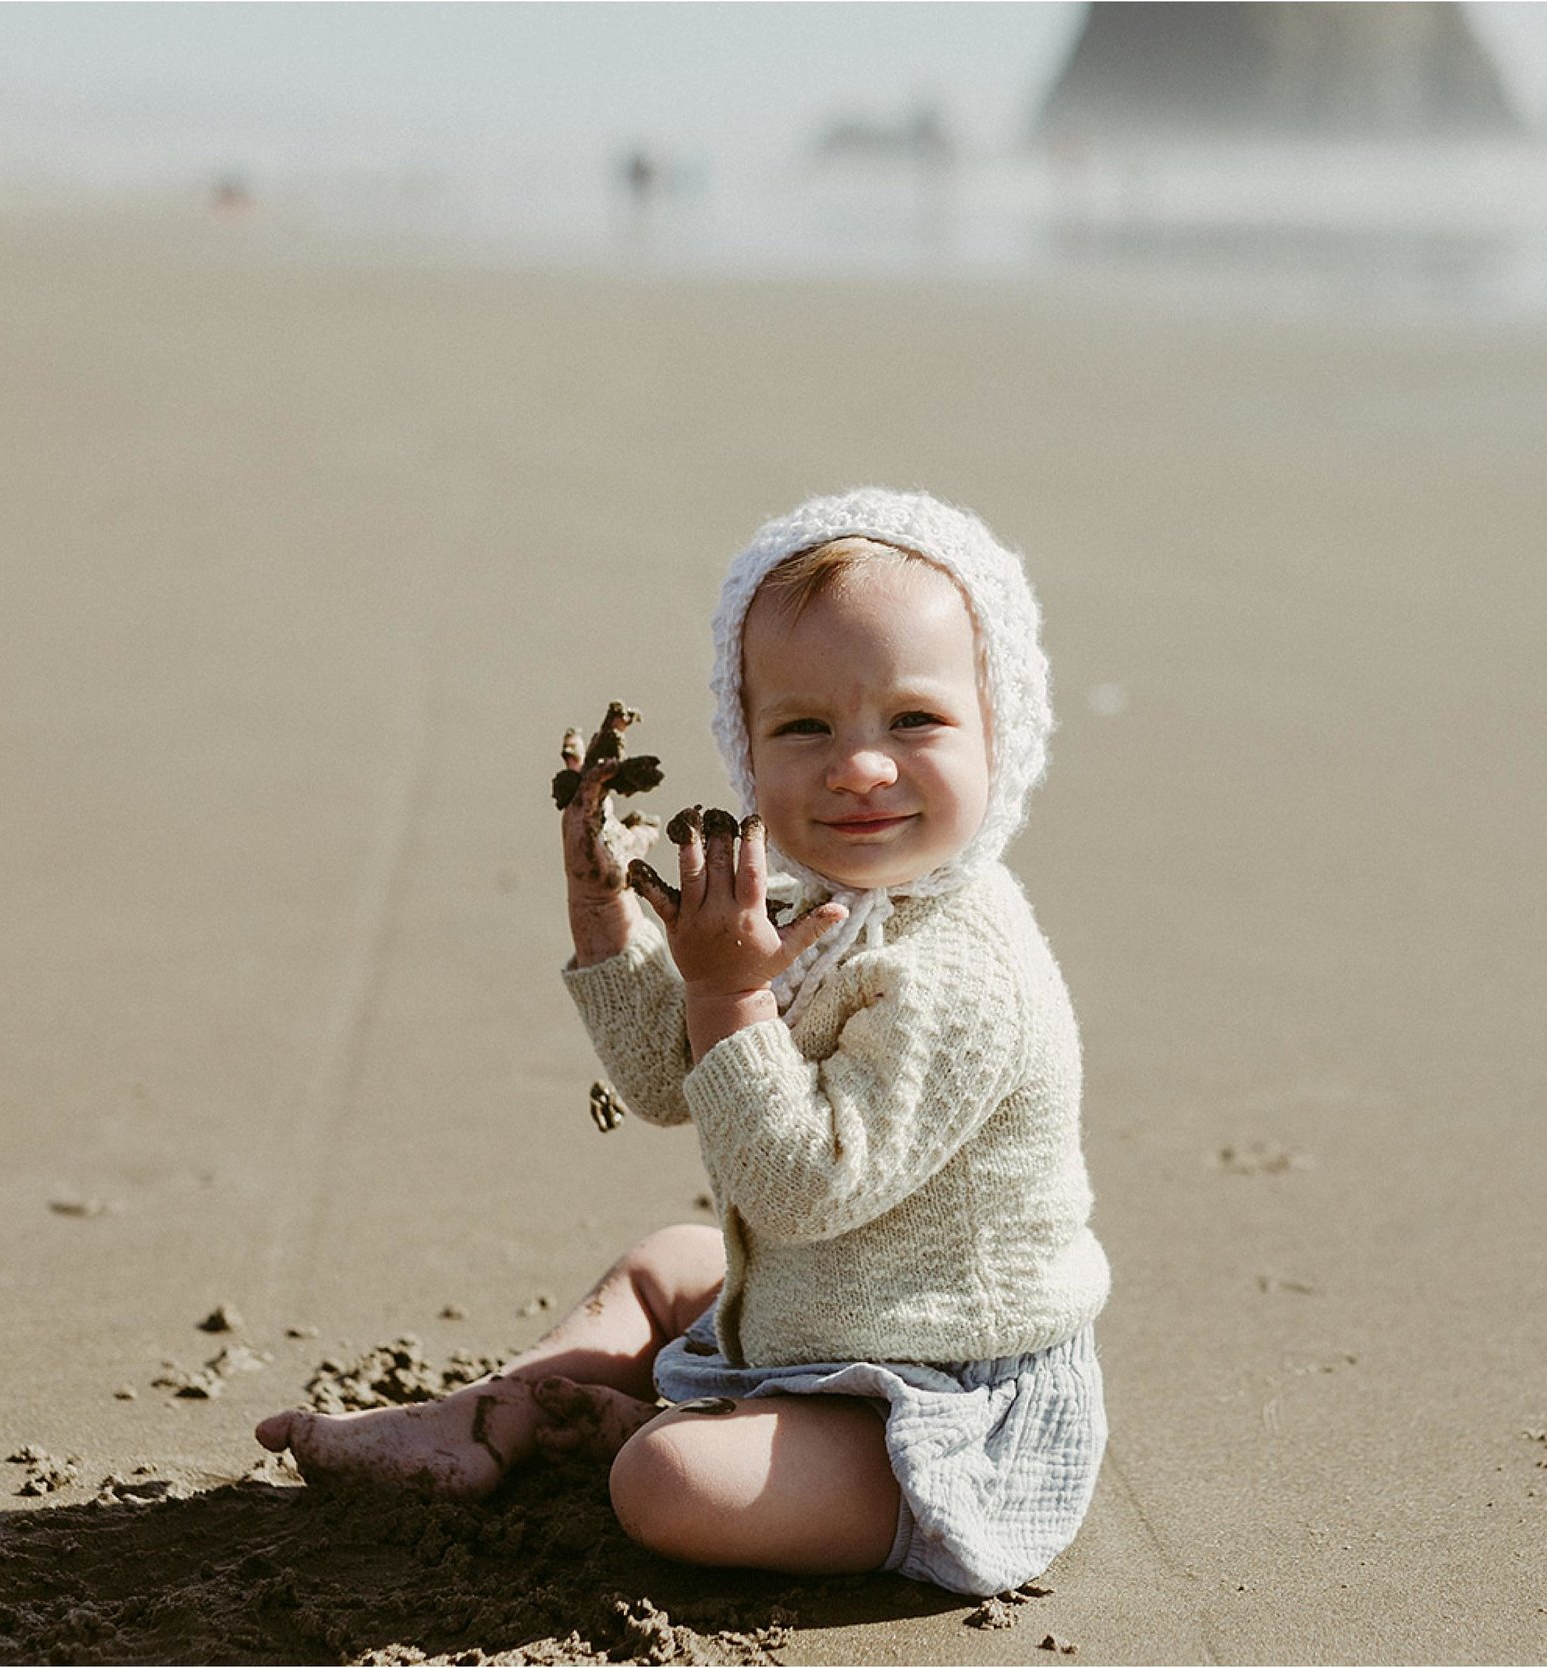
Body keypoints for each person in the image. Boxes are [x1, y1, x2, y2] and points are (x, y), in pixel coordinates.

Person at [256, 488, 1110, 1597]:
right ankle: (488, 1414)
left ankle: (641, 1433)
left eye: (914, 720)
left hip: (944, 1399)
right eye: (805, 728)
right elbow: (672, 1083)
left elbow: (800, 1186)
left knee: (666, 1483)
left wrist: (725, 992)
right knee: (669, 1262)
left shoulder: (963, 975)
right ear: (746, 751)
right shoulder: (829, 902)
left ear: (1005, 730)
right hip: (817, 1313)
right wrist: (612, 919)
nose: (857, 765)